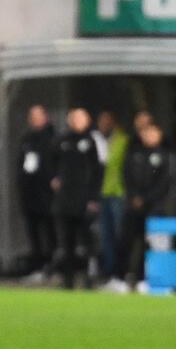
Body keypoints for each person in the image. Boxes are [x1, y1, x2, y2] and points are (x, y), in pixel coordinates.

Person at [118, 119, 176, 292]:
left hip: (154, 208)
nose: (149, 136)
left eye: (153, 132)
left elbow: (164, 183)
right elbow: (126, 177)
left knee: (151, 245)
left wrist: (146, 199)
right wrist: (134, 197)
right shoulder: (134, 154)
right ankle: (123, 278)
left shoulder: (165, 156)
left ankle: (147, 279)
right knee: (127, 242)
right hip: (133, 207)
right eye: (146, 132)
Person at [51, 107, 103, 290]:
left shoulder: (91, 141)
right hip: (65, 201)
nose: (78, 122)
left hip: (84, 200)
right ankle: (68, 280)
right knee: (67, 242)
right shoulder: (61, 140)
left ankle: (89, 279)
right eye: (75, 118)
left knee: (88, 242)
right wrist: (54, 179)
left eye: (82, 118)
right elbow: (51, 163)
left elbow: (97, 171)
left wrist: (93, 198)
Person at [16, 104, 57, 277]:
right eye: (32, 116)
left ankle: (53, 265)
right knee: (33, 232)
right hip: (30, 193)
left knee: (50, 231)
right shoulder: (27, 139)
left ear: (45, 117)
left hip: (47, 193)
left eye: (38, 116)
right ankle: (37, 265)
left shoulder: (53, 138)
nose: (34, 120)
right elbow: (22, 164)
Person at [96, 110, 130, 285]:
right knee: (106, 236)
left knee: (119, 235)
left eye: (107, 121)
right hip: (104, 193)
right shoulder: (97, 141)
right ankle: (109, 271)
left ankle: (120, 271)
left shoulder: (122, 140)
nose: (103, 125)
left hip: (118, 193)